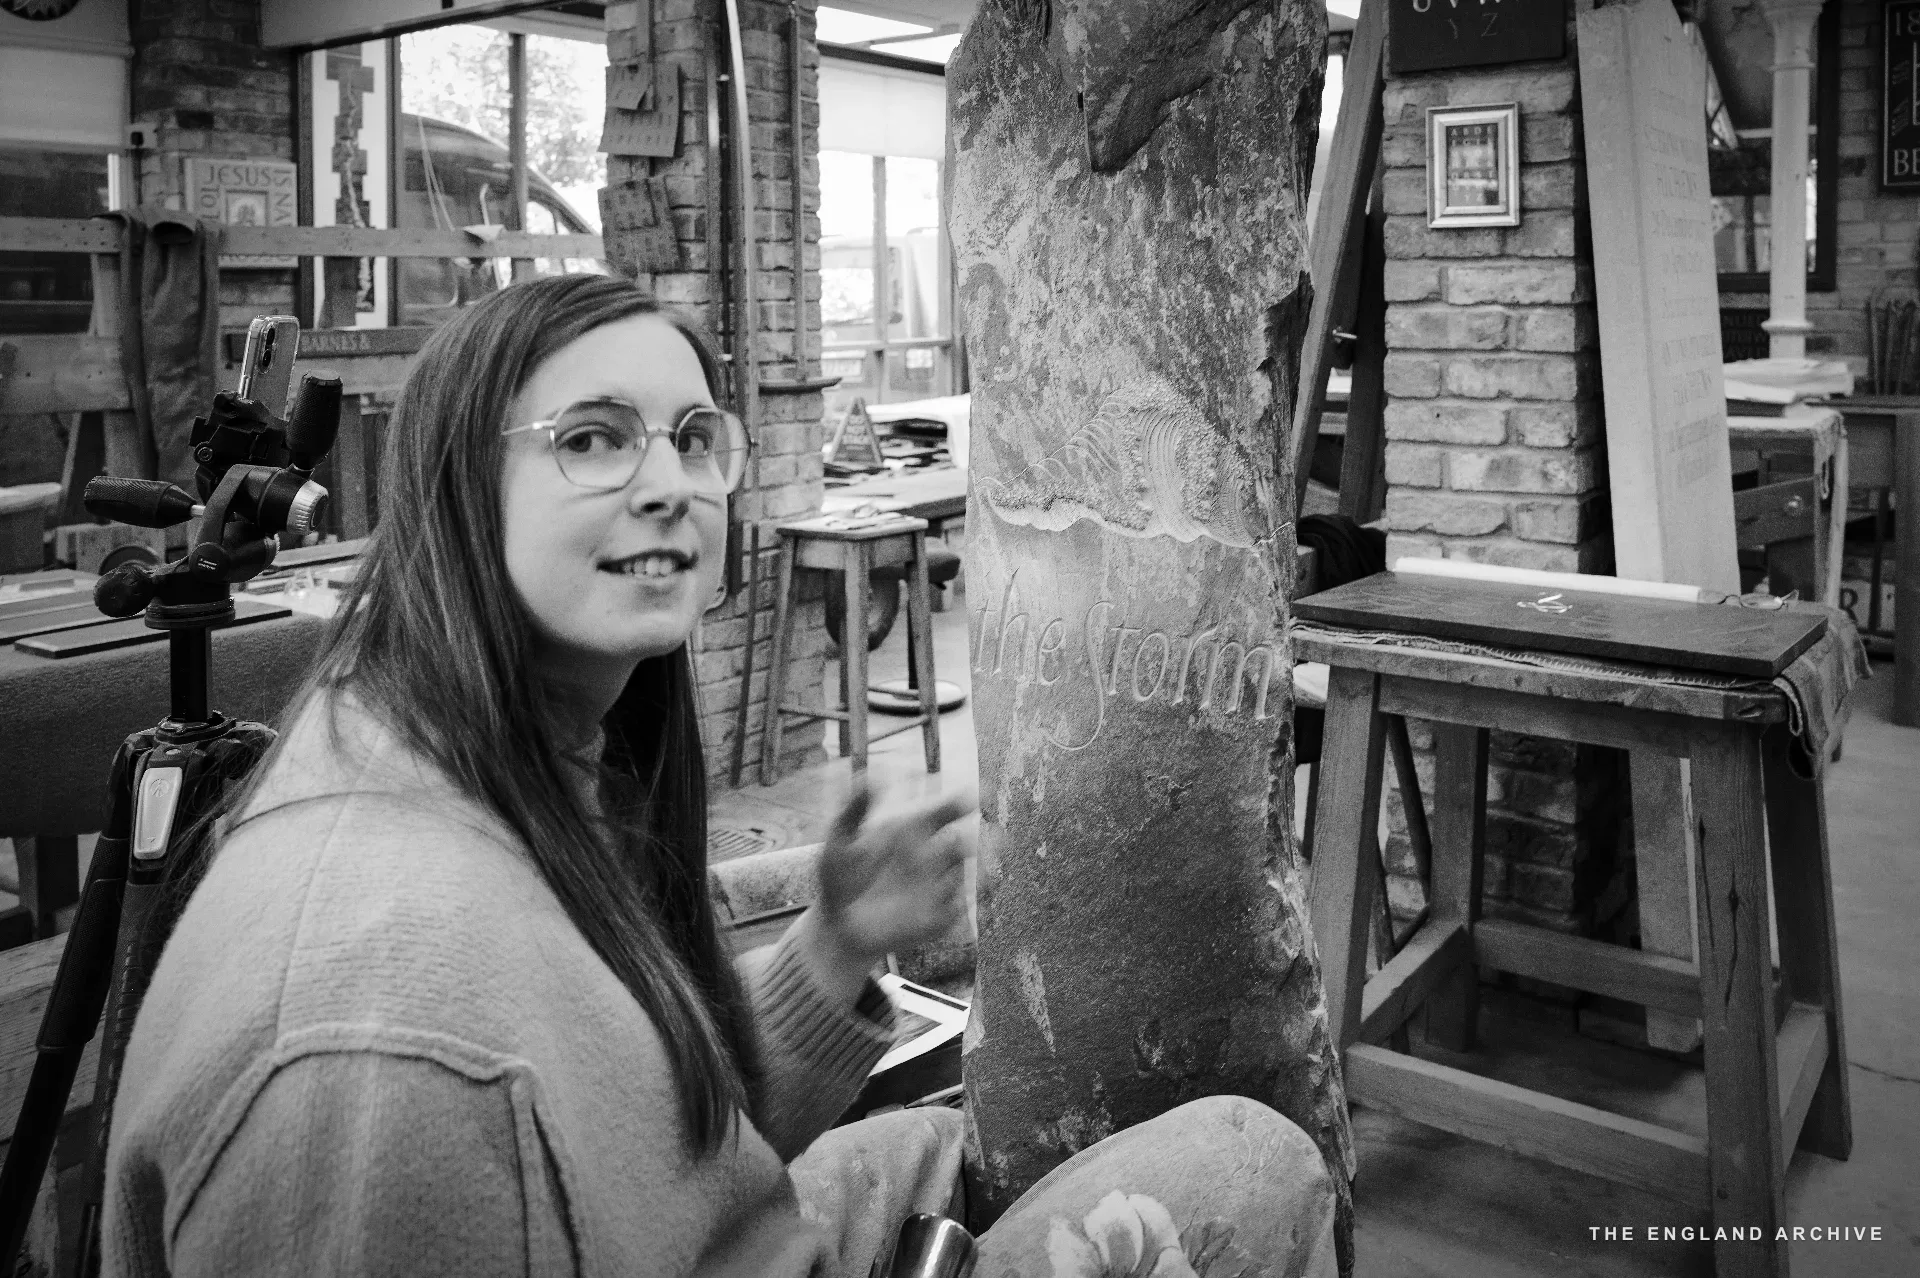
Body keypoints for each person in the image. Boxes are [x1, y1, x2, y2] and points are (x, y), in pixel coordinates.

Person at [102, 275, 1337, 1276]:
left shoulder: (483, 746)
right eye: (591, 439)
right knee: (1245, 1159)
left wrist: (836, 947)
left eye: (696, 439)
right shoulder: (386, 1058)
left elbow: (629, 1107)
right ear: (456, 487)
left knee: (949, 1137)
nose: (668, 485)